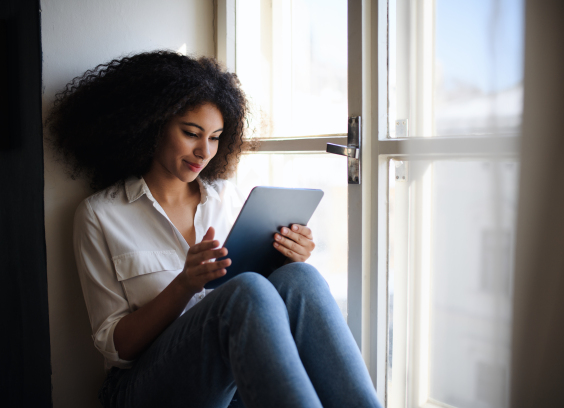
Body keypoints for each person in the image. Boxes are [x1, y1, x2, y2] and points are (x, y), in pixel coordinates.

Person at [46, 50, 382, 408]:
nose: (203, 151)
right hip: (141, 385)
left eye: (216, 137)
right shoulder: (101, 214)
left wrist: (286, 257)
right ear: (153, 124)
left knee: (302, 277)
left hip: (233, 379)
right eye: (191, 133)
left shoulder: (229, 199)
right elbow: (119, 348)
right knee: (245, 290)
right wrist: (185, 284)